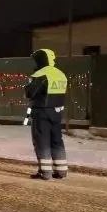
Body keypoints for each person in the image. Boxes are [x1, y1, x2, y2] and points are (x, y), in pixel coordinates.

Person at [24, 48, 69, 180]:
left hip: (42, 112)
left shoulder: (41, 74)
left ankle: (45, 173)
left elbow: (29, 93)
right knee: (56, 141)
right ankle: (61, 171)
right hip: (57, 112)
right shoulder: (60, 74)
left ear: (41, 60)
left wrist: (30, 82)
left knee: (42, 142)